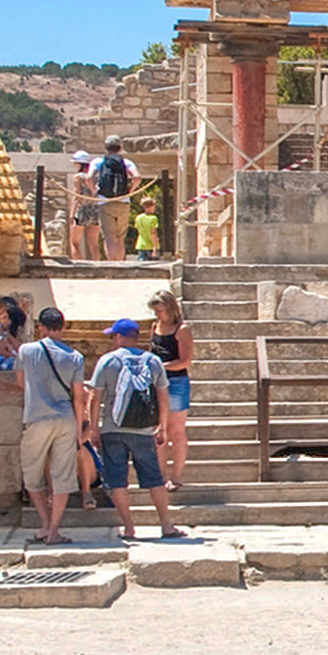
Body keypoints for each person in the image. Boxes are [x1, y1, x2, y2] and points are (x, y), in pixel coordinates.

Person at [88, 318, 185, 540]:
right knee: (155, 478)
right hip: (143, 429)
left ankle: (129, 528)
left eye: (113, 336)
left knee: (117, 480)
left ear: (119, 337)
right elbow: (163, 397)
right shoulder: (153, 361)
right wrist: (162, 427)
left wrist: (94, 428)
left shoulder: (108, 361)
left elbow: (95, 397)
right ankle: (166, 525)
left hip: (113, 428)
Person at [10, 307, 87, 545]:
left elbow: (21, 383)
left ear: (41, 327)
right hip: (65, 419)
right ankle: (54, 530)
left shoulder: (26, 350)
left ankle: (44, 523)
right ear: (62, 327)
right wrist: (80, 427)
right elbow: (78, 396)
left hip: (37, 417)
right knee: (63, 477)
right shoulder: (75, 356)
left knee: (32, 475)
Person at [148, 289, 194, 489]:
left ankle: (175, 476)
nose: (158, 314)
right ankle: (160, 475)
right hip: (156, 383)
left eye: (160, 310)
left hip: (175, 383)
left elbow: (185, 361)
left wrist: (162, 367)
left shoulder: (182, 329)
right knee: (159, 431)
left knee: (176, 431)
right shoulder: (155, 326)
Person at [89, 135, 141, 261]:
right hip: (123, 202)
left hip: (105, 202)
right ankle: (120, 265)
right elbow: (137, 177)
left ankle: (112, 264)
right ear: (120, 147)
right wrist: (130, 191)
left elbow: (88, 178)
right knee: (120, 237)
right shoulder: (126, 162)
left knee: (109, 236)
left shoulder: (98, 162)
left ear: (106, 147)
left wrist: (94, 191)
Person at [68, 150, 101, 261]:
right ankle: (98, 267)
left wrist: (72, 213)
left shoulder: (78, 177)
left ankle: (79, 265)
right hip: (94, 210)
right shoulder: (95, 177)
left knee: (75, 243)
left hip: (81, 210)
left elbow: (77, 195)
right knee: (94, 244)